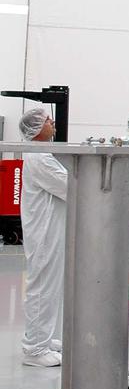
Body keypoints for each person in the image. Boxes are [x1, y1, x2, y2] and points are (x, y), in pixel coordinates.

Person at [18, 106, 67, 367]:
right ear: (36, 128)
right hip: (44, 232)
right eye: (48, 120)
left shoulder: (41, 153)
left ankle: (44, 340)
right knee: (42, 288)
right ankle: (34, 350)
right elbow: (69, 185)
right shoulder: (39, 157)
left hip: (49, 230)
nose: (53, 122)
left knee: (50, 286)